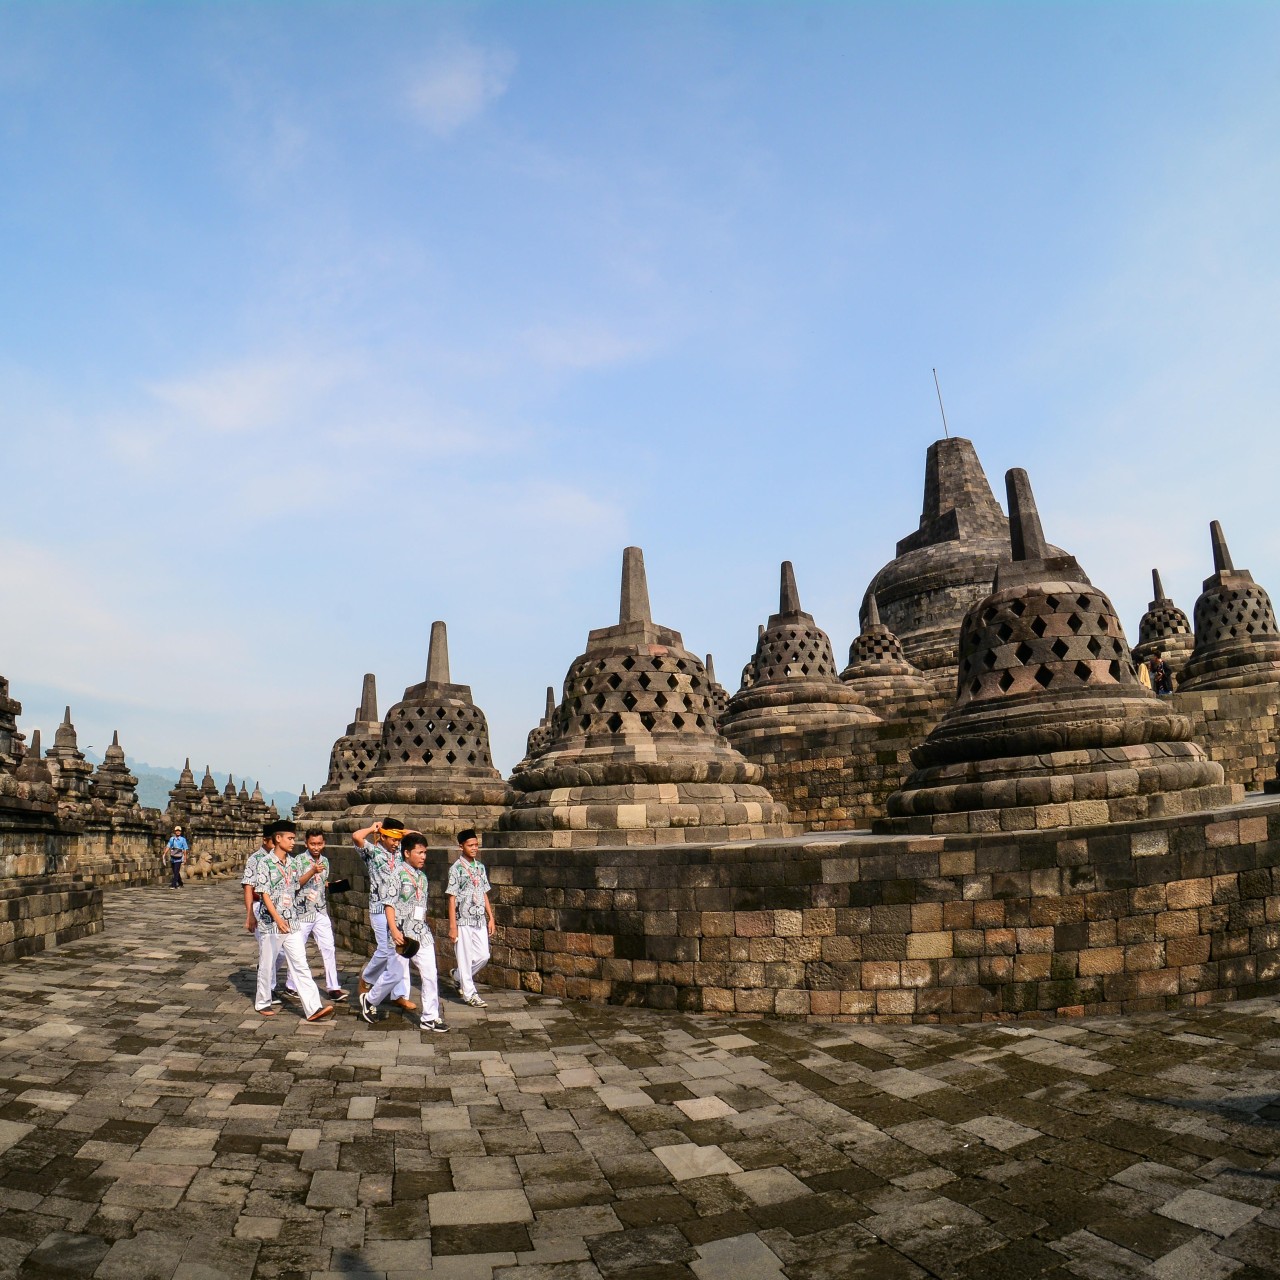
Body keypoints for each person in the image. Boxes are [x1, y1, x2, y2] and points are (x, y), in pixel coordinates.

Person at [361, 832, 448, 1033]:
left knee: (430, 973)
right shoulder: (396, 875)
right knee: (395, 974)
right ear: (407, 853)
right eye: (420, 852)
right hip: (401, 934)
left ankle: (430, 1017)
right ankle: (370, 999)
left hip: (421, 933)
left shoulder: (423, 877)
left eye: (425, 852)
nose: (423, 856)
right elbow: (389, 904)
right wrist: (393, 930)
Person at [248, 819, 333, 1022]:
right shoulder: (265, 863)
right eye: (290, 838)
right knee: (267, 963)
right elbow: (264, 893)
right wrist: (277, 919)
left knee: (300, 963)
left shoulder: (293, 863)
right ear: (278, 839)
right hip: (271, 922)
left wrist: (312, 872)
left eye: (294, 838)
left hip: (292, 920)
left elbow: (296, 885)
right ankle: (262, 1002)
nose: (293, 842)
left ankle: (313, 1008)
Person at [352, 817, 413, 1012]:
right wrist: (373, 828)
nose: (396, 843)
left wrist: (399, 833)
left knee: (402, 952)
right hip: (379, 908)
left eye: (398, 840)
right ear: (383, 836)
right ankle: (367, 978)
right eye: (392, 839)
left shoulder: (402, 853)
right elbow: (356, 836)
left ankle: (400, 994)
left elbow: (417, 837)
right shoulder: (374, 852)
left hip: (399, 909)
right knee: (385, 950)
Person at [286, 829, 348, 1003]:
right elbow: (295, 885)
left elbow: (322, 884)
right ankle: (291, 985)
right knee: (298, 950)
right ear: (306, 843)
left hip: (320, 910)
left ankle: (333, 987)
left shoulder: (325, 861)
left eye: (319, 843)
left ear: (324, 843)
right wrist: (312, 871)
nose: (316, 847)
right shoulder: (297, 861)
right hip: (302, 912)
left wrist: (335, 886)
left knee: (328, 948)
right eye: (312, 844)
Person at [447, 828, 495, 1009]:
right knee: (465, 957)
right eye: (470, 845)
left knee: (483, 955)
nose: (474, 848)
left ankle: (459, 976)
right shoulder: (456, 869)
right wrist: (453, 926)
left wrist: (490, 917)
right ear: (461, 846)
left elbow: (484, 893)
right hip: (463, 919)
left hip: (479, 918)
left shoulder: (480, 867)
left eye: (476, 845)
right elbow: (451, 897)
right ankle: (470, 993)